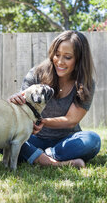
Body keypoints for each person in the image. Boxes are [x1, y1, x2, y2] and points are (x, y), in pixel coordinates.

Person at [8, 30, 101, 168]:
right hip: (33, 138)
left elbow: (71, 121)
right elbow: (21, 110)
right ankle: (50, 162)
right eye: (57, 55)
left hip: (66, 142)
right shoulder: (36, 74)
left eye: (67, 57)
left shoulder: (85, 83)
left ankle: (39, 155)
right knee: (4, 137)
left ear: (79, 59)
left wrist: (42, 122)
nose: (60, 61)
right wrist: (13, 101)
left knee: (92, 140)